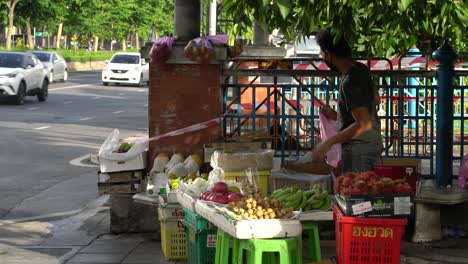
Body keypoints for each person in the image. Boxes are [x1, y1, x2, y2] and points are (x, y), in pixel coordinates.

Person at [311, 28, 383, 174]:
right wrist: (338, 116)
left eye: (322, 54)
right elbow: (375, 100)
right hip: (373, 144)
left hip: (359, 151)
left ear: (328, 54)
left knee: (358, 194)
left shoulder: (349, 82)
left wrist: (327, 143)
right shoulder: (361, 68)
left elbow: (363, 124)